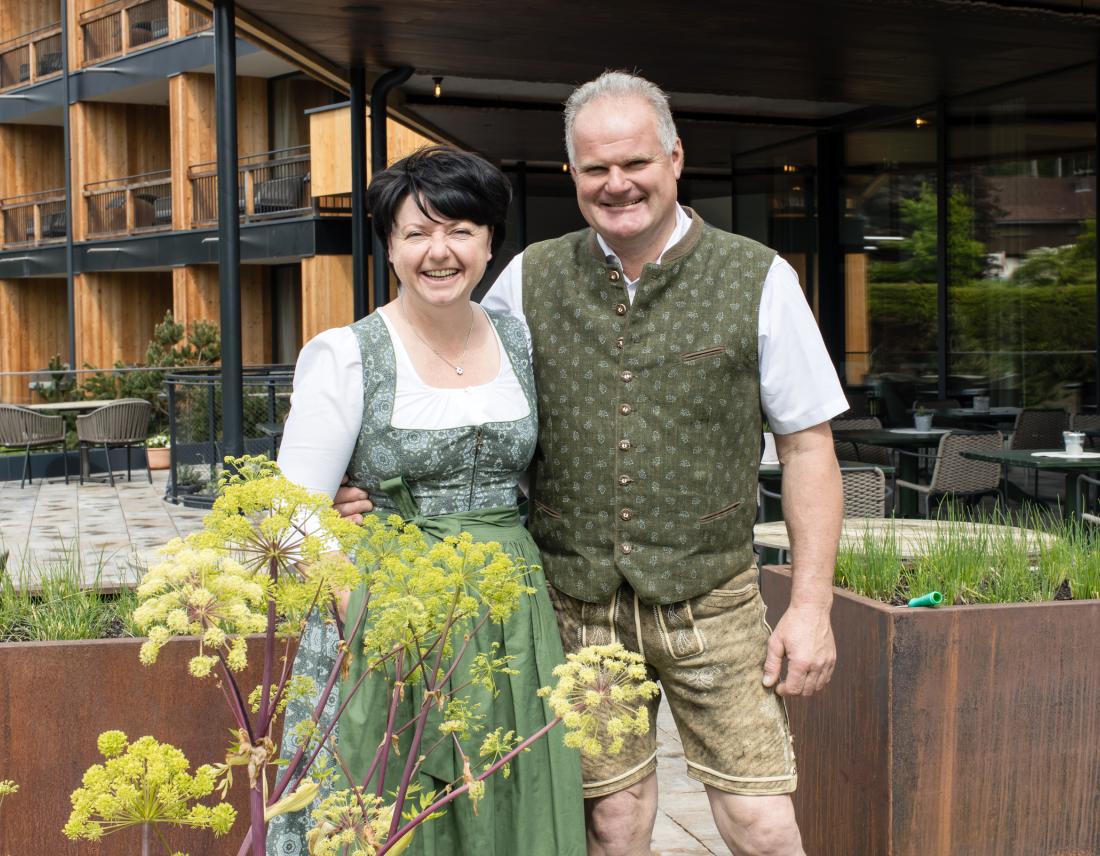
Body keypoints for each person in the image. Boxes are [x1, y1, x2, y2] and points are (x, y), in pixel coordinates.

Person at [337, 72, 846, 856]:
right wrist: (367, 480)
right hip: (576, 606)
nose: (618, 184)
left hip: (713, 599)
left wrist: (811, 607)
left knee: (762, 822)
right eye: (596, 168)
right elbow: (457, 388)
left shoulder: (760, 277)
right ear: (571, 175)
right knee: (610, 821)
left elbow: (809, 447)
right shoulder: (526, 279)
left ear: (675, 158)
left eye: (635, 162)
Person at [267, 146, 586, 856]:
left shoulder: (519, 339)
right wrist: (364, 608)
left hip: (513, 612)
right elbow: (289, 514)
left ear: (489, 242)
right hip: (391, 616)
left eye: (461, 230)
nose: (439, 252)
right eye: (416, 233)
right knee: (396, 803)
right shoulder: (347, 356)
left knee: (512, 795)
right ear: (389, 245)